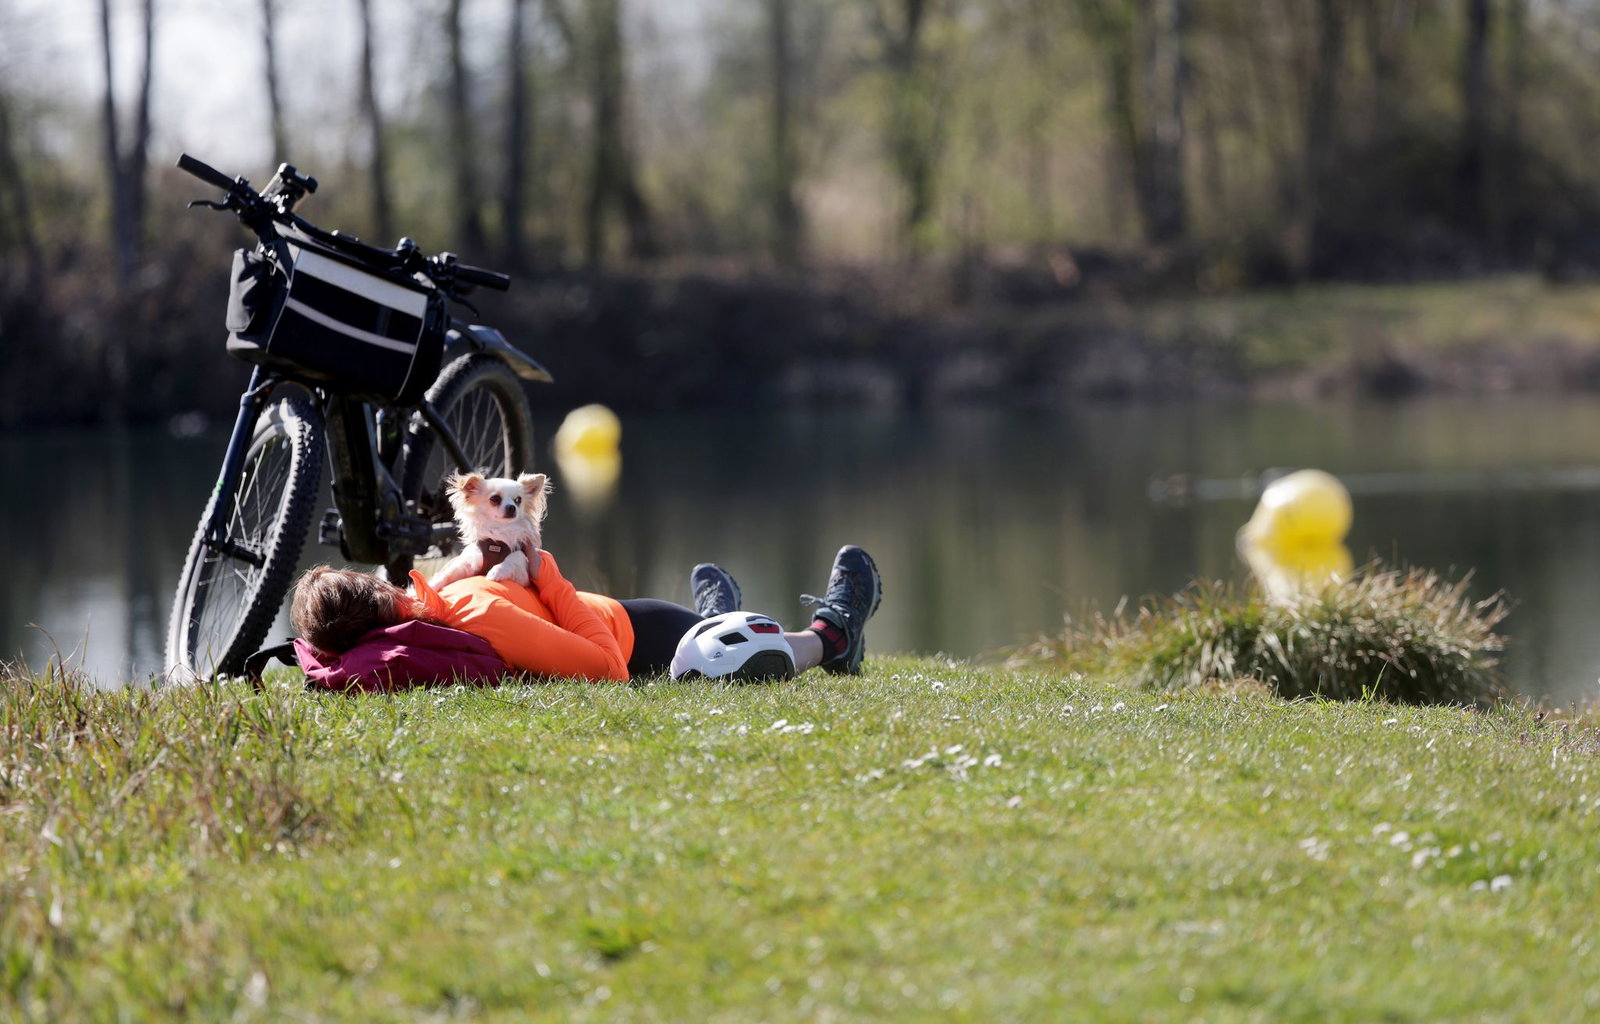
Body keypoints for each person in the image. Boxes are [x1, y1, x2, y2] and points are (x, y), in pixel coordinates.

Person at [289, 545, 881, 683]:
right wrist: (546, 569)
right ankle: (833, 634)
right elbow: (607, 666)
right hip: (644, 636)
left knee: (715, 629)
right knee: (735, 653)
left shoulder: (440, 607)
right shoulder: (469, 616)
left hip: (631, 617)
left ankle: (717, 608)